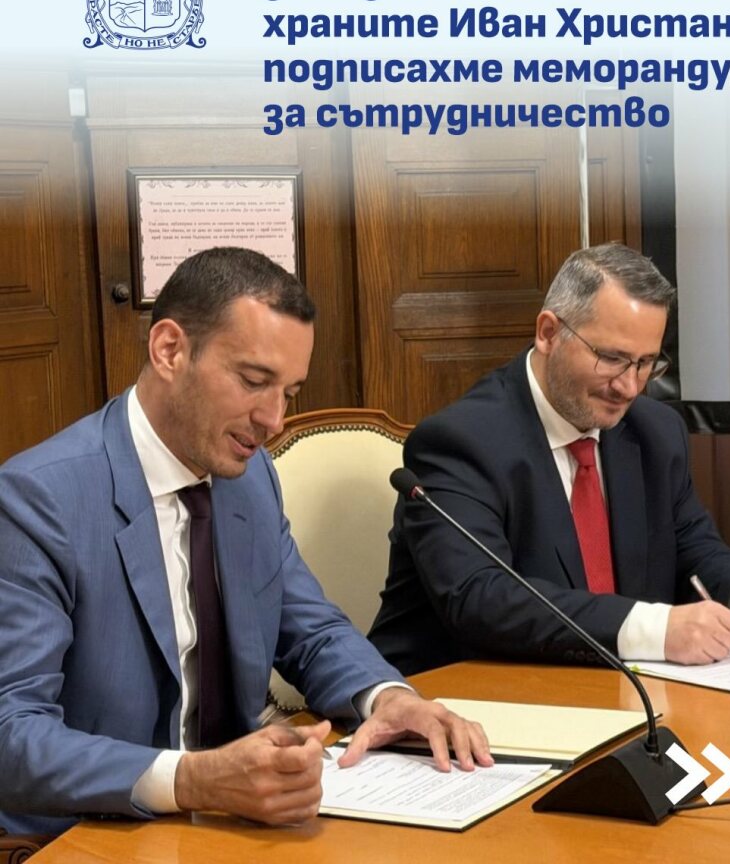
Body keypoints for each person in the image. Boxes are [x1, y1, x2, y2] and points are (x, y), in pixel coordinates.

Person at [0, 248, 491, 837]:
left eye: (289, 392)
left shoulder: (249, 477)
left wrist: (387, 698)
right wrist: (192, 780)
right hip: (89, 831)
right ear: (169, 350)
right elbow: (11, 732)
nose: (273, 420)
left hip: (233, 824)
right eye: (254, 382)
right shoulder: (40, 500)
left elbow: (311, 629)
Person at [369, 243, 730, 676]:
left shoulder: (655, 432)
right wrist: (655, 629)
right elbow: (480, 596)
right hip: (456, 698)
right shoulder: (461, 442)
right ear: (549, 333)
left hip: (614, 691)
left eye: (646, 363)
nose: (629, 386)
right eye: (612, 358)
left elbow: (693, 546)